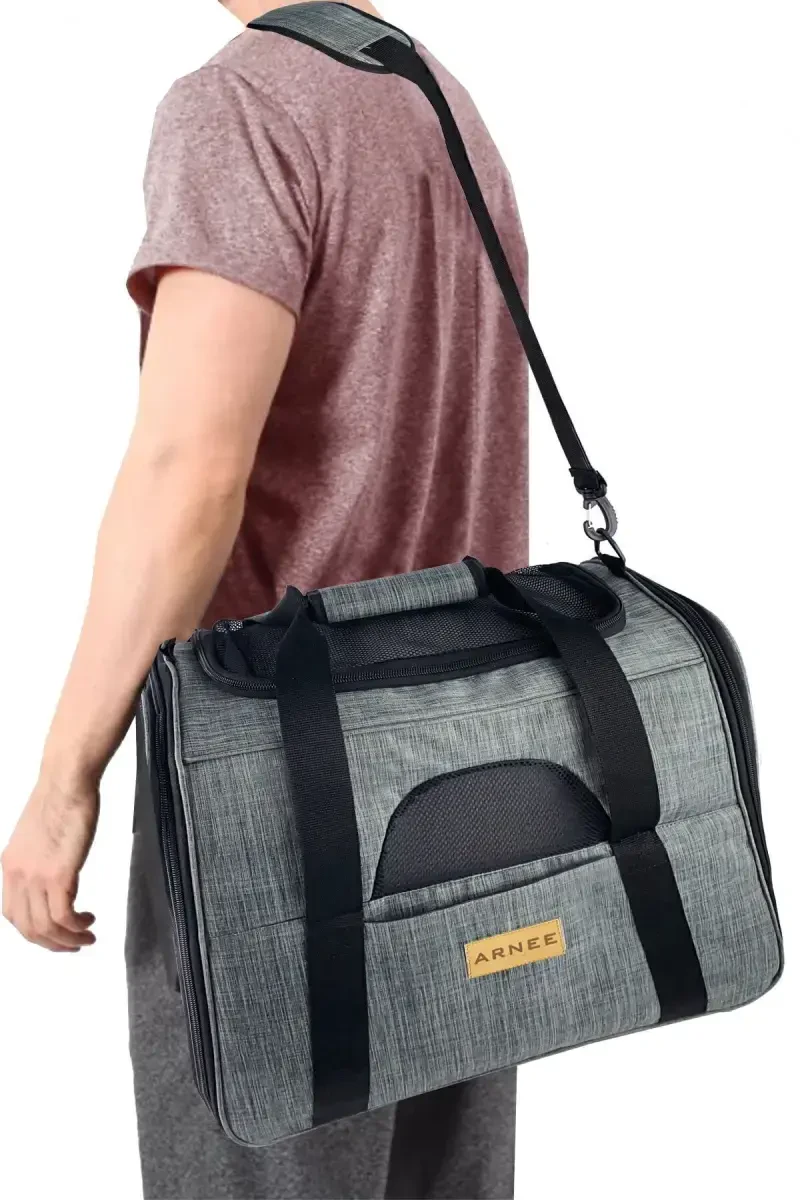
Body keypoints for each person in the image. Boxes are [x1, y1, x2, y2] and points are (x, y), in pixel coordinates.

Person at [1, 1, 528, 1196]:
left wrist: (64, 778)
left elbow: (188, 476)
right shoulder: (435, 98)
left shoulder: (242, 104)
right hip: (473, 765)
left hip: (279, 789)